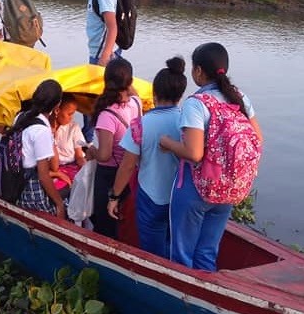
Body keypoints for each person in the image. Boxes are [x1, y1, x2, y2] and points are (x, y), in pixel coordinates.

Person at [159, 43, 264, 271]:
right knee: (207, 251)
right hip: (228, 189)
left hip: (196, 189)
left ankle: (182, 295)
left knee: (182, 254)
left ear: (198, 71)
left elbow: (194, 154)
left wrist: (168, 143)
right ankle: (204, 290)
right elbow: (258, 140)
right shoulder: (240, 97)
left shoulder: (196, 104)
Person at [107, 57, 187, 258]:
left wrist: (114, 197)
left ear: (154, 93)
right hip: (180, 198)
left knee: (153, 252)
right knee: (176, 245)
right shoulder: (189, 123)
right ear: (180, 94)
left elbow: (126, 167)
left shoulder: (141, 125)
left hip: (151, 198)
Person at [86, 58, 141, 239]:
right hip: (130, 171)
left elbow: (104, 155)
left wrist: (91, 151)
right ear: (130, 82)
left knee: (104, 219)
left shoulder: (107, 115)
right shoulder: (136, 103)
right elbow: (133, 92)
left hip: (109, 174)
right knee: (121, 214)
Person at [13, 79, 65, 218]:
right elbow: (44, 175)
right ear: (57, 104)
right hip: (29, 188)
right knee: (66, 200)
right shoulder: (42, 130)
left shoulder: (20, 116)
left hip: (15, 181)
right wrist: (59, 204)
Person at [50, 94, 86, 194]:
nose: (71, 118)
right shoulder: (45, 129)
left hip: (72, 167)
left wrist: (85, 168)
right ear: (57, 111)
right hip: (53, 170)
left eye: (73, 114)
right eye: (69, 114)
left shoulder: (74, 127)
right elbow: (52, 166)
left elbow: (79, 156)